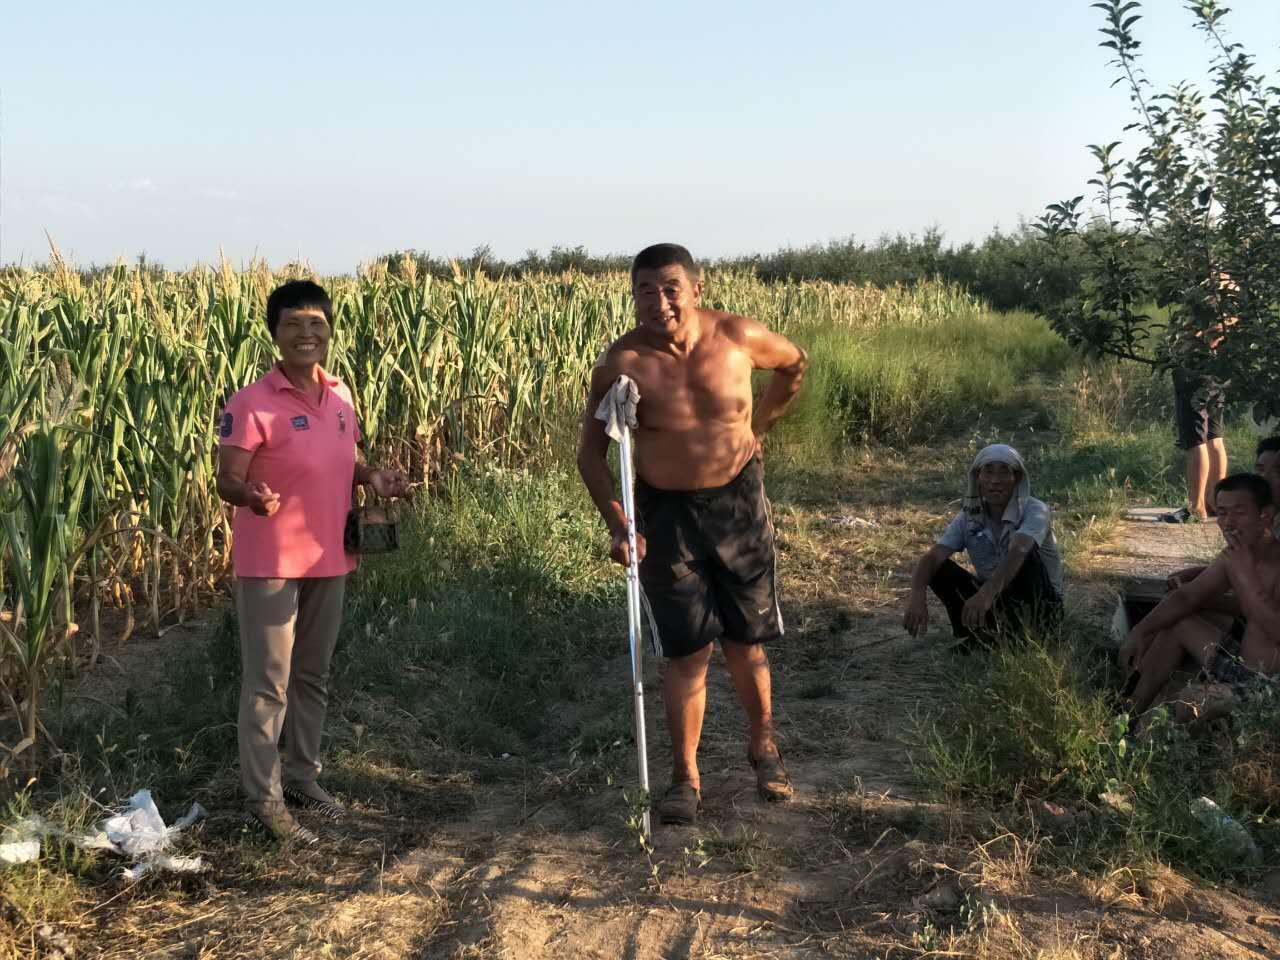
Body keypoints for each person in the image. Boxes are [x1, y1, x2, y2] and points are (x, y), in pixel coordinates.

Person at [577, 243, 808, 826]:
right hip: (665, 515)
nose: (659, 303)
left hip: (738, 503)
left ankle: (764, 748)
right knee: (688, 650)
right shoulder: (623, 363)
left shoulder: (738, 337)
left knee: (745, 641)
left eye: (670, 288)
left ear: (697, 289)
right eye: (645, 292)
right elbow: (590, 455)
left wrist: (760, 424)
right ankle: (686, 778)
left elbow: (794, 364)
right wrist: (618, 523)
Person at [217, 279, 410, 844]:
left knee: (312, 674)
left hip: (331, 555)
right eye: (293, 324)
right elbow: (227, 479)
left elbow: (342, 460)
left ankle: (303, 778)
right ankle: (264, 799)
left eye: (316, 324)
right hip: (271, 561)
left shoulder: (341, 395)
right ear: (275, 334)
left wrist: (372, 477)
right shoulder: (250, 404)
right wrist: (250, 495)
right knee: (268, 682)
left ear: (329, 331)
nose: (307, 334)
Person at [1124, 473, 1280, 727]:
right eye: (1222, 513)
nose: (1228, 523)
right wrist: (1139, 632)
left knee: (1190, 701)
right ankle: (1125, 718)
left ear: (1265, 515)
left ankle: (1163, 744)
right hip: (1242, 666)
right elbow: (1187, 597)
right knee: (1178, 621)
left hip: (1269, 687)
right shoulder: (1235, 556)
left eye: (1239, 512)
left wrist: (1245, 575)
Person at [903, 444, 1064, 647]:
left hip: (1042, 607)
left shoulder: (1035, 510)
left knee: (1024, 554)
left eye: (1004, 471)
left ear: (1017, 478)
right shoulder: (969, 517)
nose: (995, 480)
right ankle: (982, 635)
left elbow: (1019, 550)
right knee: (938, 568)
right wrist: (917, 595)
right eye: (988, 472)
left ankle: (1024, 638)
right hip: (994, 602)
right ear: (978, 478)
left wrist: (986, 593)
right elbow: (933, 557)